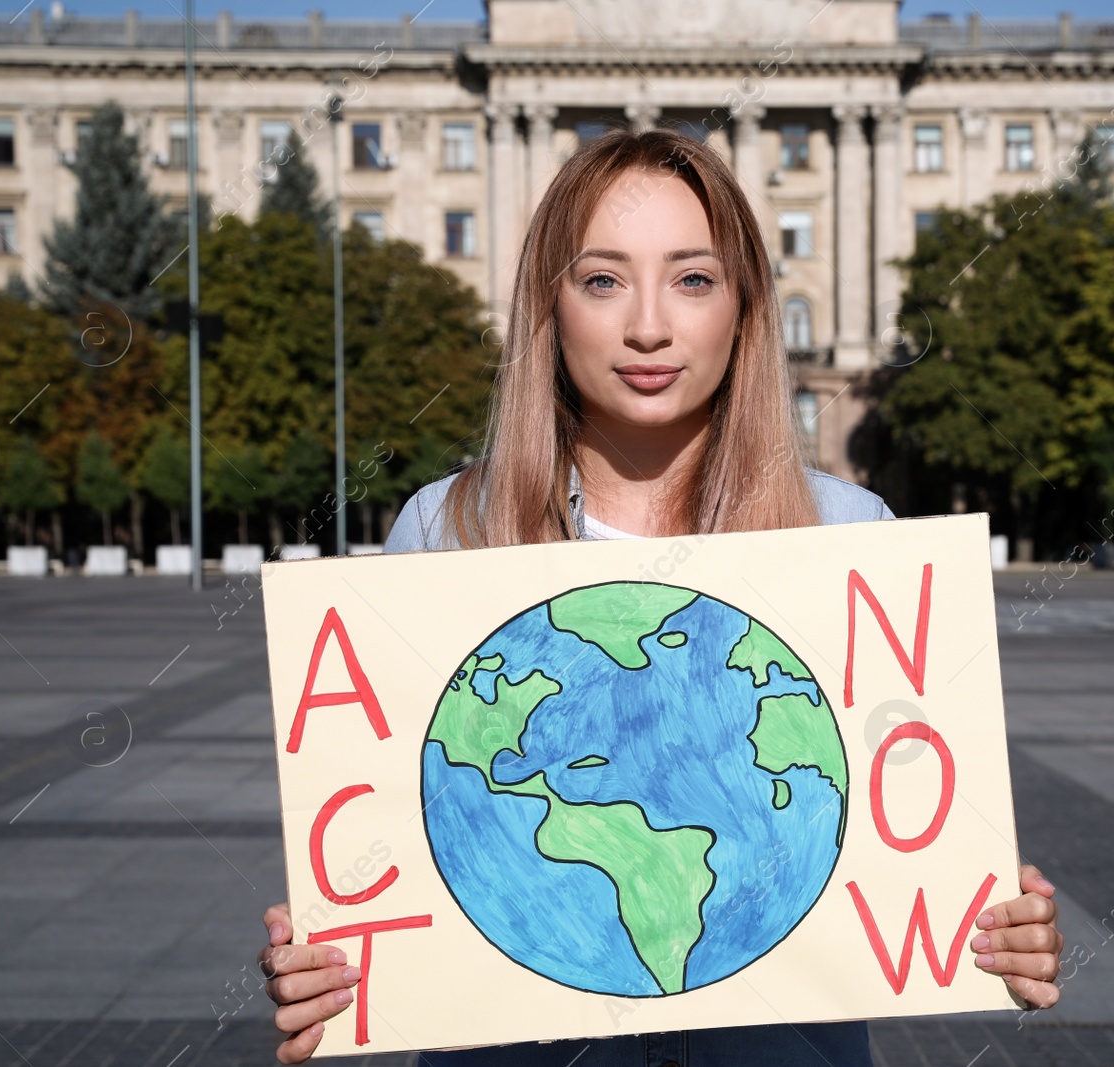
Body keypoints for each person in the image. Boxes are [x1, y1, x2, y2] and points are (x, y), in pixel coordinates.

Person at [258, 127, 1063, 1066]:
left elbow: (914, 836)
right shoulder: (443, 528)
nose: (649, 324)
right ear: (548, 307)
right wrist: (320, 959)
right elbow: (390, 849)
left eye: (692, 278)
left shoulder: (852, 532)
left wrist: (1003, 929)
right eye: (602, 279)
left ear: (744, 306)